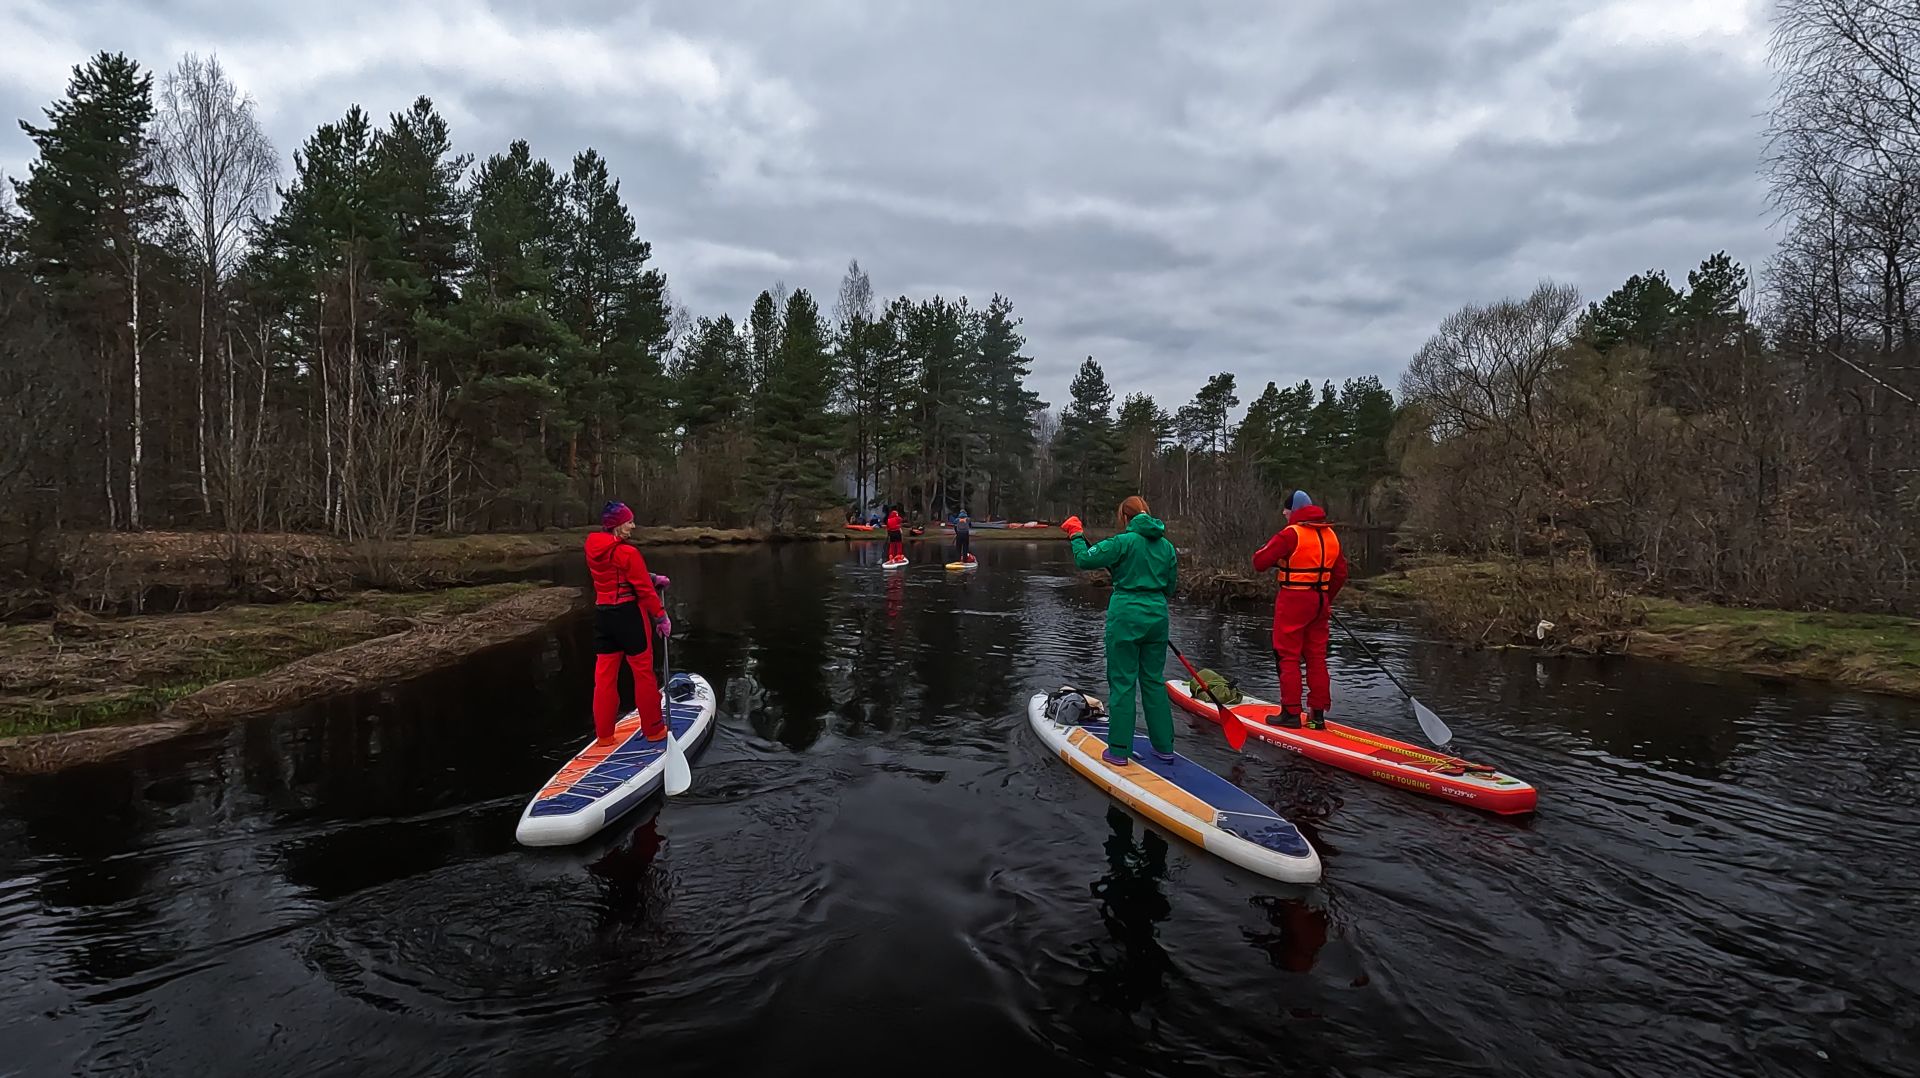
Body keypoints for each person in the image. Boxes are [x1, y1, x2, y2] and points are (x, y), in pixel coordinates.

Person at [1062, 495, 1178, 766]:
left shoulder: (1122, 543)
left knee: (1123, 682)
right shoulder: (1167, 547)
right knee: (1152, 681)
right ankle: (1164, 748)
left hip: (1126, 616)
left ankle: (1118, 750)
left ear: (1125, 518)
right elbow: (1170, 588)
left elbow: (1083, 560)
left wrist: (1076, 533)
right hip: (1157, 617)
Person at [1251, 490, 1349, 730]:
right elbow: (1340, 574)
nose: (1284, 514)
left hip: (1294, 600)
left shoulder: (1290, 535)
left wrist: (1278, 559)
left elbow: (1259, 562)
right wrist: (1325, 598)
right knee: (1316, 657)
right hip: (1319, 601)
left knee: (1287, 656)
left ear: (1293, 511)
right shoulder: (1331, 536)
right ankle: (1317, 716)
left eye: (1286, 510)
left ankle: (1291, 713)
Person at [585, 501, 672, 746]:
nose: (633, 526)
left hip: (603, 616)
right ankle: (654, 729)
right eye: (629, 522)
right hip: (628, 616)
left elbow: (616, 573)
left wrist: (652, 577)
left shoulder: (592, 547)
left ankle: (604, 736)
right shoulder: (627, 552)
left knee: (604, 677)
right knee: (643, 673)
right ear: (616, 525)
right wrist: (661, 617)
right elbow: (643, 590)